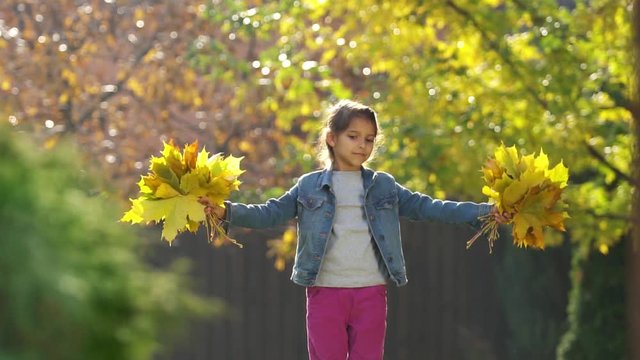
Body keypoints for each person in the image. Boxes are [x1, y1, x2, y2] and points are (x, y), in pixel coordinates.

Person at [200, 99, 510, 360]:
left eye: (369, 139)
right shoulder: (308, 185)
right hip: (324, 292)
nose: (363, 145)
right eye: (354, 136)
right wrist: (226, 211)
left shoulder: (383, 186)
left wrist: (485, 212)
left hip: (370, 293)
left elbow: (431, 207)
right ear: (332, 138)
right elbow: (268, 213)